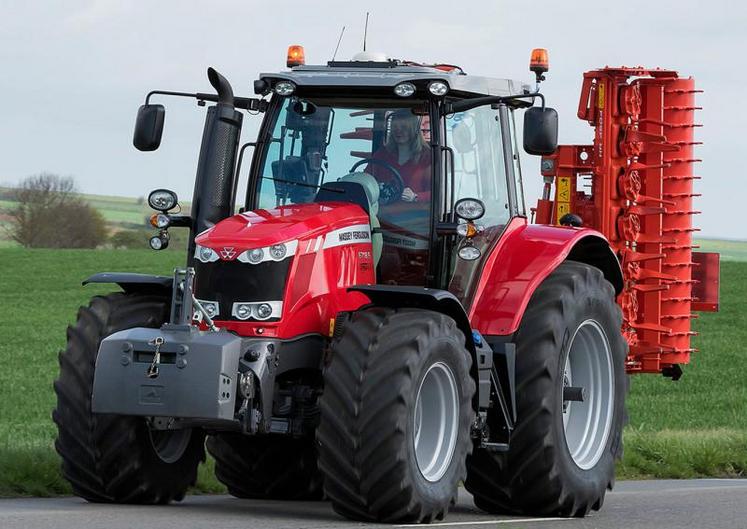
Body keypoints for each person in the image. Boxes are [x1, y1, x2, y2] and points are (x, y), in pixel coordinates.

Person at [366, 109, 431, 202]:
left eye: (404, 127)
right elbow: (366, 179)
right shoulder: (382, 154)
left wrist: (416, 196)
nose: (398, 130)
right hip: (381, 211)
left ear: (413, 129)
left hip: (417, 213)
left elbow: (439, 193)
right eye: (395, 127)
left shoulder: (427, 157)